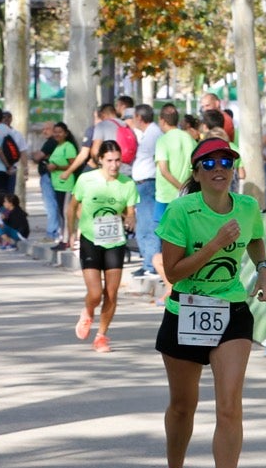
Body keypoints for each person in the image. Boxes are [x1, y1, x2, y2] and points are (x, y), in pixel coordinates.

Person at [153, 137, 266, 468]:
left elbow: (255, 238)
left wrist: (264, 269)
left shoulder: (247, 206)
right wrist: (216, 245)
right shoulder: (181, 211)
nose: (219, 167)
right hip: (185, 311)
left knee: (229, 404)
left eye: (226, 160)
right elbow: (172, 272)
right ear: (196, 172)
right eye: (209, 163)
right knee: (183, 406)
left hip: (231, 309)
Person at [63, 139, 137, 353]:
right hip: (90, 239)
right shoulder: (87, 180)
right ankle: (88, 311)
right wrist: (70, 233)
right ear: (101, 160)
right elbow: (72, 206)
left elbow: (130, 211)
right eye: (110, 161)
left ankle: (101, 336)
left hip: (115, 241)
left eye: (118, 161)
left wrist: (131, 218)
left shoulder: (127, 184)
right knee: (95, 293)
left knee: (111, 293)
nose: (114, 165)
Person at [130, 104, 161, 278]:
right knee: (143, 225)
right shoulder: (148, 134)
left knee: (148, 225)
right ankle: (148, 262)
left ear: (139, 118)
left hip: (148, 184)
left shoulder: (154, 134)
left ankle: (151, 264)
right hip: (143, 184)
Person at [154, 105, 197, 228]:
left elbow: (164, 170)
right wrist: (186, 188)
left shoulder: (163, 140)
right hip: (187, 195)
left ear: (162, 120)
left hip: (166, 196)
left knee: (166, 235)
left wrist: (181, 187)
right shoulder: (190, 139)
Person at [43, 122, 79, 252]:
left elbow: (73, 165)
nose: (57, 134)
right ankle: (64, 238)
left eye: (60, 132)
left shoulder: (68, 147)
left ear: (66, 133)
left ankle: (67, 240)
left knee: (66, 214)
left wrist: (57, 167)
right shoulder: (58, 146)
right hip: (57, 185)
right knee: (61, 214)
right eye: (55, 132)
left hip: (66, 185)